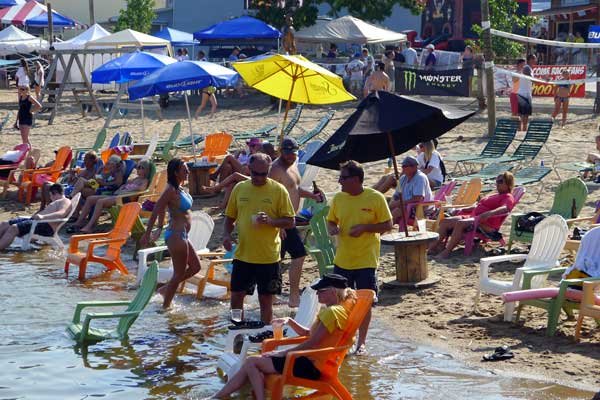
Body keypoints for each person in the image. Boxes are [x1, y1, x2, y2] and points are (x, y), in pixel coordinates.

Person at [211, 274, 357, 400]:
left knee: (251, 362)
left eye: (320, 291)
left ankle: (222, 396)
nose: (317, 294)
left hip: (310, 366)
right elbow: (309, 334)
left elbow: (312, 342)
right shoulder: (336, 310)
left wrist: (283, 353)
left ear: (332, 291)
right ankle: (218, 396)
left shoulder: (331, 312)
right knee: (251, 364)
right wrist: (290, 321)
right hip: (312, 361)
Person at [326, 160, 393, 354]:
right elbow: (331, 220)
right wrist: (332, 228)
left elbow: (388, 224)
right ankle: (342, 340)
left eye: (343, 178)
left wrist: (365, 227)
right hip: (343, 259)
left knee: (364, 303)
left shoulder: (375, 198)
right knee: (339, 302)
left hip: (366, 259)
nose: (340, 182)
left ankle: (361, 343)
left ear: (356, 179)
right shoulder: (339, 198)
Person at [223, 153, 295, 323]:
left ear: (269, 170)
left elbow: (290, 221)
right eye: (256, 173)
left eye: (264, 174)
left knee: (265, 301)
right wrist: (226, 235)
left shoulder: (278, 190)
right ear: (248, 169)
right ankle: (237, 331)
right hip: (243, 255)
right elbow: (229, 217)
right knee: (236, 299)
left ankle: (265, 335)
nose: (259, 178)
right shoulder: (240, 188)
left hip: (268, 257)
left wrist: (270, 221)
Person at [269, 137, 324, 307]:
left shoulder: (293, 165)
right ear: (280, 152)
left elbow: (295, 189)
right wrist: (277, 225)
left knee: (294, 257)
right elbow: (269, 197)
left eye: (293, 153)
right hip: (280, 221)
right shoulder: (275, 169)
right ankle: (277, 297)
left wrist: (312, 195)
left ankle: (289, 296)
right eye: (287, 154)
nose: (291, 157)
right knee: (280, 259)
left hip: (291, 219)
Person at [141, 158, 201, 309]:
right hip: (176, 235)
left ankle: (165, 289)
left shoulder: (179, 188)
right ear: (175, 172)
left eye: (187, 169)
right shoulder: (170, 190)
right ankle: (165, 308)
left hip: (182, 235)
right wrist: (149, 233)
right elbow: (157, 209)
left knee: (195, 267)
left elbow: (163, 209)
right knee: (179, 274)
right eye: (184, 170)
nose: (187, 172)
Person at [429, 171, 516, 259]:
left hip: (484, 223)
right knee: (445, 222)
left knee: (460, 223)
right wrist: (464, 209)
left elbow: (505, 208)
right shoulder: (495, 195)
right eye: (496, 181)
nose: (497, 184)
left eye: (500, 181)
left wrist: (489, 213)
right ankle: (432, 248)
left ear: (508, 183)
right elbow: (478, 205)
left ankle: (446, 252)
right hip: (473, 217)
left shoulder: (508, 196)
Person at [67, 160, 150, 234]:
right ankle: (79, 222)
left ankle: (90, 226)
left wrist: (127, 189)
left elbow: (141, 189)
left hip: (124, 198)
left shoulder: (144, 181)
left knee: (100, 202)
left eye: (141, 167)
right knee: (90, 198)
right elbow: (121, 186)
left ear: (146, 170)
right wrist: (123, 187)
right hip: (116, 195)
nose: (138, 169)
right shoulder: (134, 179)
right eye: (138, 167)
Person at [0, 183, 70, 251]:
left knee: (14, 228)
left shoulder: (65, 201)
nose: (51, 198)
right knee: (4, 224)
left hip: (45, 226)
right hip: (37, 222)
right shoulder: (58, 202)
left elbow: (62, 213)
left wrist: (43, 216)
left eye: (51, 195)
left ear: (55, 193)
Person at [389, 156, 433, 223]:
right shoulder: (402, 178)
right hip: (407, 205)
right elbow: (397, 194)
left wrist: (399, 203)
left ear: (414, 167)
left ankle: (381, 229)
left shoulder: (420, 178)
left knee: (398, 211)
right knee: (385, 206)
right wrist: (393, 202)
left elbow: (418, 198)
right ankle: (379, 228)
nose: (403, 168)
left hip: (421, 209)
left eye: (405, 166)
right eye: (403, 166)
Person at [517, 54, 537, 132]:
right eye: (534, 59)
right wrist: (543, 79)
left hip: (524, 92)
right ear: (530, 60)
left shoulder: (528, 68)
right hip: (524, 94)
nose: (536, 60)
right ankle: (522, 130)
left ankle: (521, 130)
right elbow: (532, 79)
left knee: (522, 114)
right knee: (524, 114)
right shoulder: (527, 68)